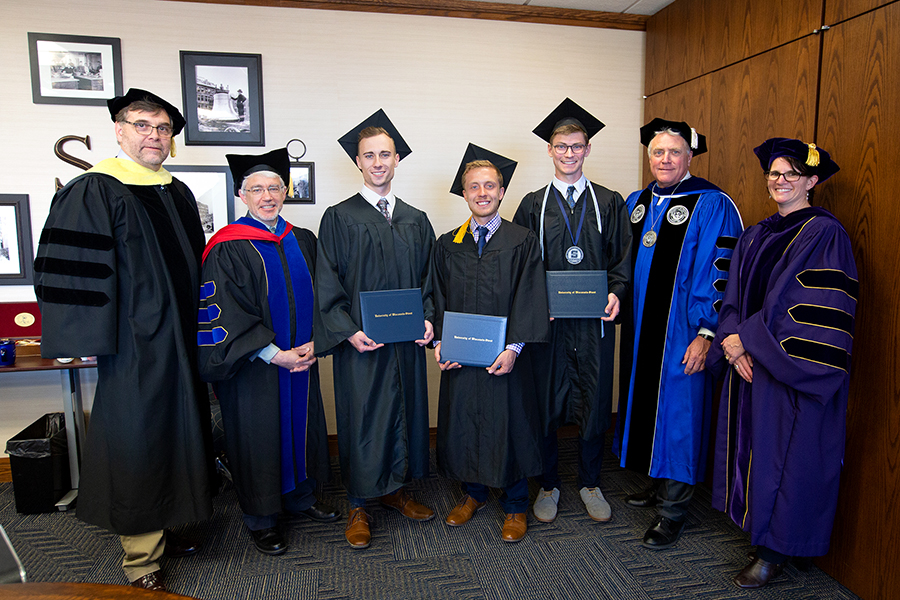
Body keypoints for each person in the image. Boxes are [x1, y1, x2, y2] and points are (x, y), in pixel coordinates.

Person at [33, 89, 213, 591]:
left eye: (162, 128)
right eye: (142, 125)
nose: (153, 135)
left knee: (180, 431)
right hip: (136, 342)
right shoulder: (94, 189)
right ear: (119, 129)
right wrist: (97, 338)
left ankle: (164, 526)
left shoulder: (175, 192)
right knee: (139, 438)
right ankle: (141, 560)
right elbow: (69, 270)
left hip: (180, 337)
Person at [706, 138, 856, 588]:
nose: (780, 181)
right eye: (774, 173)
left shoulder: (824, 233)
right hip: (750, 363)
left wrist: (748, 343)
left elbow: (806, 305)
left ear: (811, 182)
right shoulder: (757, 232)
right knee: (759, 453)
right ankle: (764, 535)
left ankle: (778, 550)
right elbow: (731, 294)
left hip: (789, 369)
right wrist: (731, 339)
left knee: (791, 458)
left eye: (792, 174)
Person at [197, 148, 338, 556]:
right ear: (242, 195)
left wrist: (316, 339)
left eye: (274, 187)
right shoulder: (227, 247)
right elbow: (222, 308)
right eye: (256, 189)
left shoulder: (304, 241)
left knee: (301, 427)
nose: (267, 195)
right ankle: (261, 518)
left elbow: (325, 297)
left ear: (285, 191)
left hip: (303, 360)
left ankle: (300, 497)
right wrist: (272, 353)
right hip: (256, 367)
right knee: (257, 436)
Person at [615, 118, 743, 550]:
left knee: (680, 414)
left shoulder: (712, 204)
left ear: (690, 156)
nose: (664, 159)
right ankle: (658, 480)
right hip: (641, 330)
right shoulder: (637, 201)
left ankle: (674, 511)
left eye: (673, 152)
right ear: (648, 157)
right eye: (657, 152)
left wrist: (707, 333)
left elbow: (721, 273)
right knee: (649, 406)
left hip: (684, 331)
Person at [316, 109, 436, 549]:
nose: (379, 162)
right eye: (370, 155)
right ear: (359, 162)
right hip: (361, 344)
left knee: (403, 409)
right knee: (363, 416)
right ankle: (359, 504)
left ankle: (395, 491)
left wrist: (427, 317)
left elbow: (429, 280)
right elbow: (327, 282)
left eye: (386, 154)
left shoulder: (416, 218)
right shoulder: (339, 217)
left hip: (403, 342)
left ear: (397, 159)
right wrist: (347, 331)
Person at [513, 98, 632, 524]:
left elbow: (622, 259)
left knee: (595, 399)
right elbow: (521, 264)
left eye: (577, 146)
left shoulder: (609, 201)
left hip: (594, 324)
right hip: (548, 324)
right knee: (547, 400)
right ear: (549, 150)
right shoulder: (533, 203)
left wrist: (617, 291)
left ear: (586, 149)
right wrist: (532, 305)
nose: (569, 153)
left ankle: (590, 482)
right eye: (561, 146)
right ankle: (548, 484)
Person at [433, 147, 549, 543]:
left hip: (505, 356)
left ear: (501, 192)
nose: (482, 192)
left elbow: (530, 296)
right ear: (464, 194)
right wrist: (442, 346)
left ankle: (516, 504)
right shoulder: (449, 243)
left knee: (509, 420)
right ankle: (474, 494)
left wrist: (513, 348)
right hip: (463, 357)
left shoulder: (522, 240)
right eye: (473, 186)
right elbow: (438, 297)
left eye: (489, 185)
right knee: (466, 420)